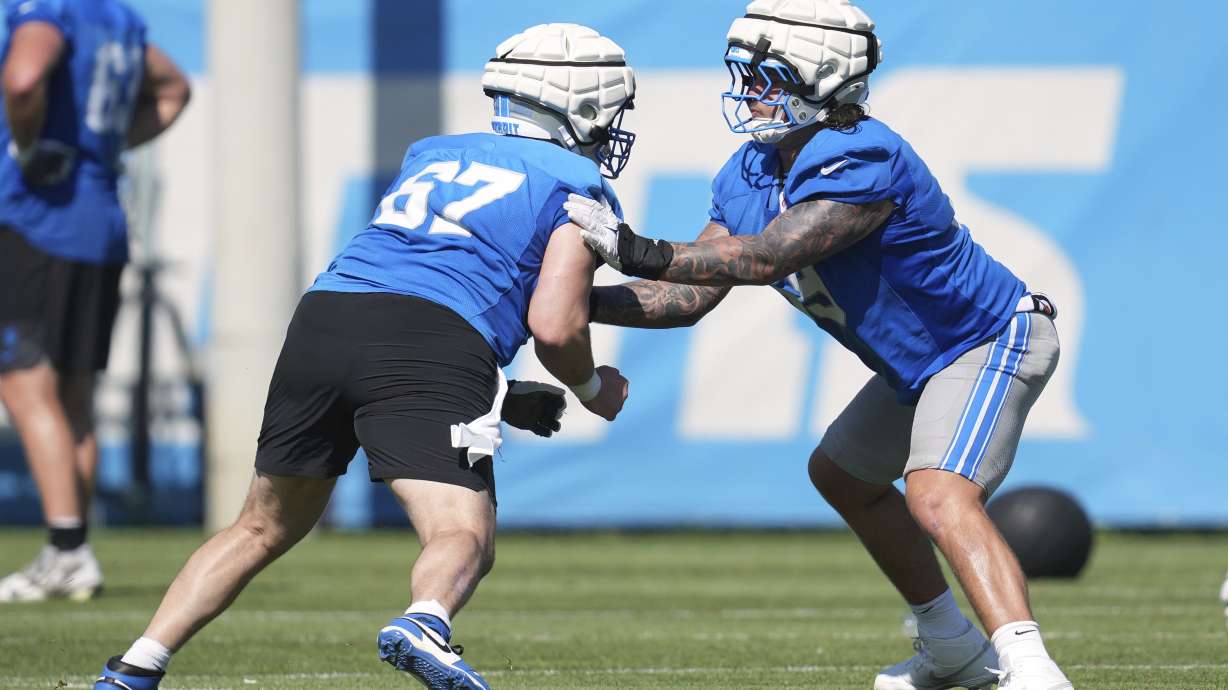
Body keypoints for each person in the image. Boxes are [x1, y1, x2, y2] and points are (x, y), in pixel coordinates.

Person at [92, 23, 635, 690]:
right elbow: (551, 324)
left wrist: (501, 390)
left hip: (325, 318)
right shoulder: (575, 180)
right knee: (461, 529)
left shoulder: (432, 153)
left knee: (262, 525)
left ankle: (137, 663)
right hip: (433, 342)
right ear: (580, 106)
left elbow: (407, 292)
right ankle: (426, 620)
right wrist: (590, 385)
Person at [565, 1, 1072, 688]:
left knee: (937, 494)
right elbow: (685, 298)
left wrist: (632, 249)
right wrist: (573, 302)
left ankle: (1032, 669)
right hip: (923, 364)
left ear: (820, 78)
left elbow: (769, 257)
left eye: (767, 77)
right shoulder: (749, 170)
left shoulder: (860, 152)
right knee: (842, 476)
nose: (750, 93)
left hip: (987, 338)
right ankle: (951, 645)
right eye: (745, 76)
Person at [0, 0, 190, 603]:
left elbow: (24, 79)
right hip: (100, 219)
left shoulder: (45, 10)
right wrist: (100, 150)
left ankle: (66, 552)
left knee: (25, 385)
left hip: (39, 220)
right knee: (73, 394)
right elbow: (173, 89)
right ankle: (72, 547)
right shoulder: (116, 17)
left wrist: (28, 149)